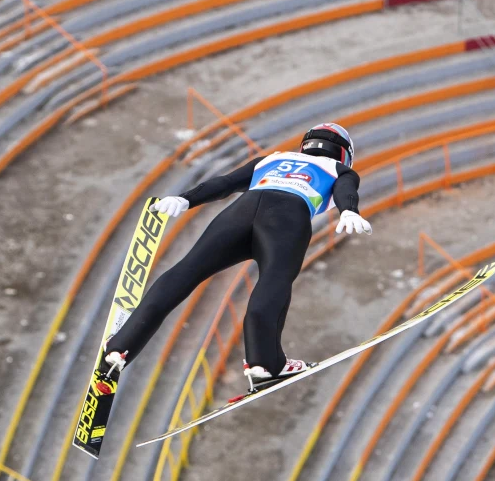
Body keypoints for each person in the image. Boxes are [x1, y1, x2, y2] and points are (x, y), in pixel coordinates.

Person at [102, 122, 372, 390]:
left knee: (187, 270)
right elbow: (345, 191)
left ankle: (120, 346)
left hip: (239, 213)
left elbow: (226, 183)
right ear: (344, 153)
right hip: (287, 219)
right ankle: (264, 364)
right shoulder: (339, 169)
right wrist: (349, 210)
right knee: (274, 282)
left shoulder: (272, 159)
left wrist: (185, 199)